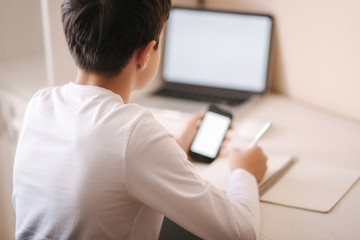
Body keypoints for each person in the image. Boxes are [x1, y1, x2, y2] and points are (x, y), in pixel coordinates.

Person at [12, 0, 267, 239]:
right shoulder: (134, 133)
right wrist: (245, 171)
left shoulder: (40, 104)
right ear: (145, 53)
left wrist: (174, 148)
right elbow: (241, 232)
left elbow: (105, 173)